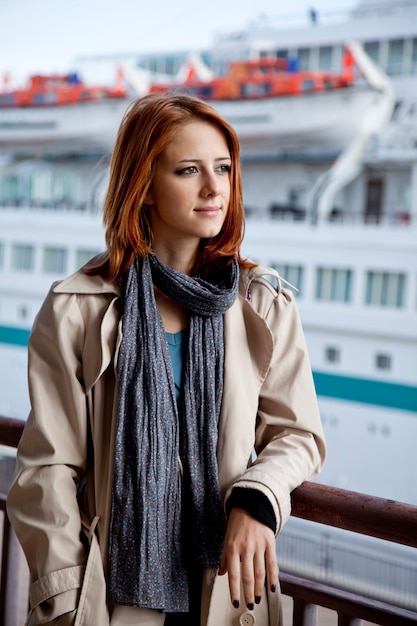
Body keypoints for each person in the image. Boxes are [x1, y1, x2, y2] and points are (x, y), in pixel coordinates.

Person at [7, 92, 326, 626]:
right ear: (144, 185)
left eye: (223, 168)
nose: (213, 188)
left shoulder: (262, 302)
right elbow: (47, 470)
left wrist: (259, 498)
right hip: (109, 599)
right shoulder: (78, 309)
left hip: (225, 594)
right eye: (188, 170)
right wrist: (65, 604)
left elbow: (298, 435)